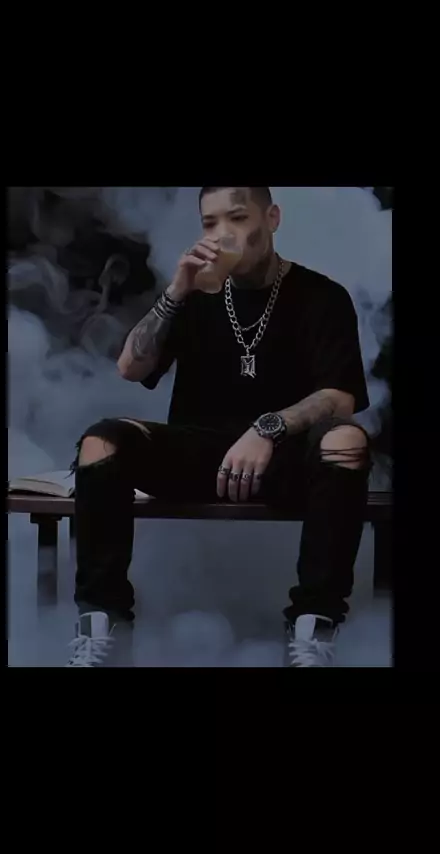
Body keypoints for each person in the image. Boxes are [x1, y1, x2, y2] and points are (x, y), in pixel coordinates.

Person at [66, 187, 371, 668]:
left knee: (346, 441)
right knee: (100, 442)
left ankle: (313, 630)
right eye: (210, 223)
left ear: (272, 218)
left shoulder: (322, 296)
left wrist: (267, 429)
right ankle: (104, 630)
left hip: (286, 460)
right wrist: (175, 291)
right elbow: (130, 367)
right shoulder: (193, 296)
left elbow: (340, 397)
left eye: (238, 217)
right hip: (199, 456)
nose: (223, 233)